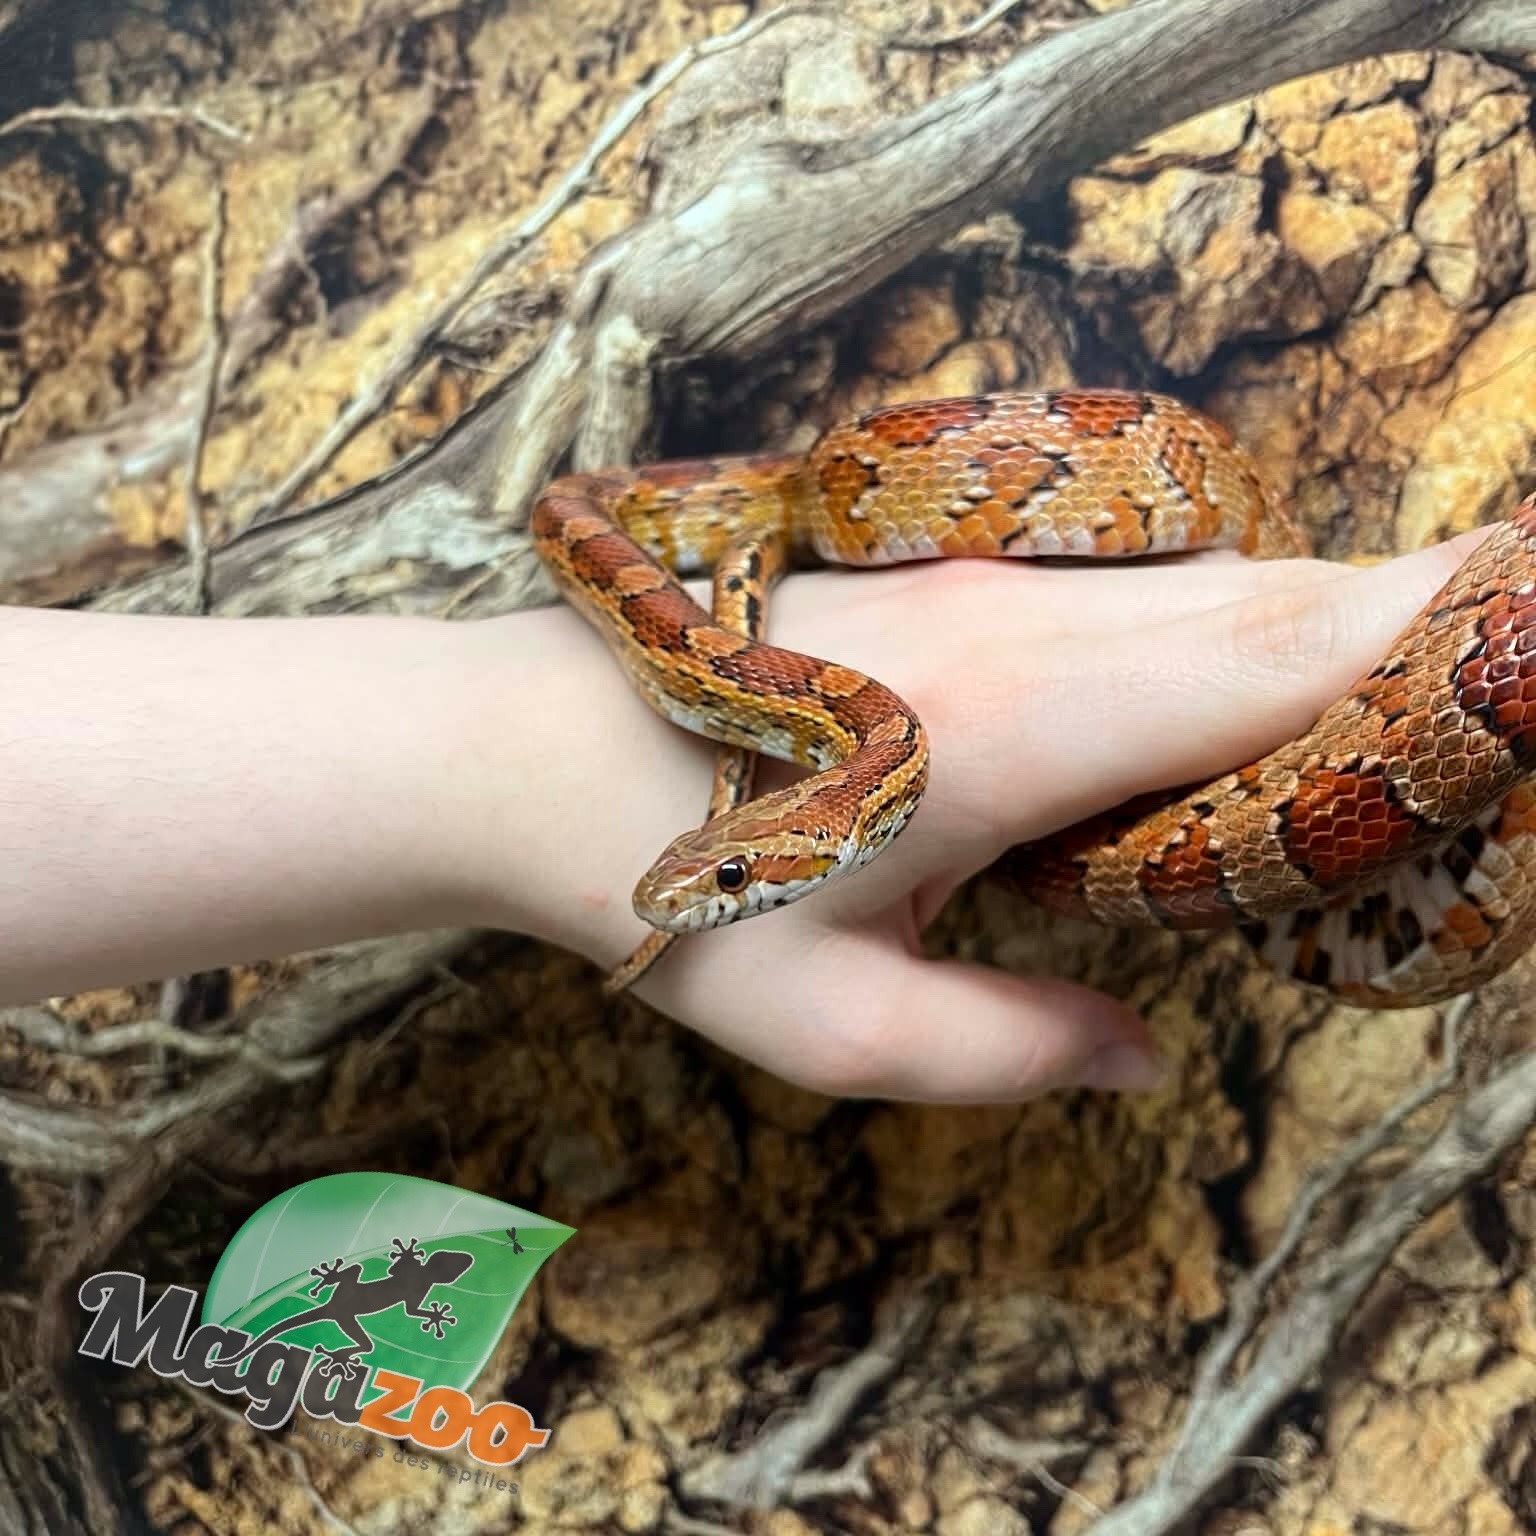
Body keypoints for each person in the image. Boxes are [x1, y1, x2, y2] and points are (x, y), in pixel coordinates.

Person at [0, 529, 1487, 1101]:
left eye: (720, 888)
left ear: (813, 837)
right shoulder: (836, 765)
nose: (684, 897)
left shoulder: (859, 767)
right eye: (717, 886)